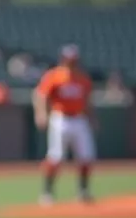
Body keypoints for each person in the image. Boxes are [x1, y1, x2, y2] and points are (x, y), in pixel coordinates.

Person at [33, 44, 96, 205]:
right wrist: (41, 113)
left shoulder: (83, 78)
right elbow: (41, 95)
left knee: (86, 156)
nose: (71, 63)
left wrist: (93, 118)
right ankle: (47, 192)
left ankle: (83, 191)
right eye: (69, 60)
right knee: (55, 156)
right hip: (60, 119)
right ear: (63, 59)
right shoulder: (54, 76)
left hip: (79, 119)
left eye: (74, 60)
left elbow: (88, 101)